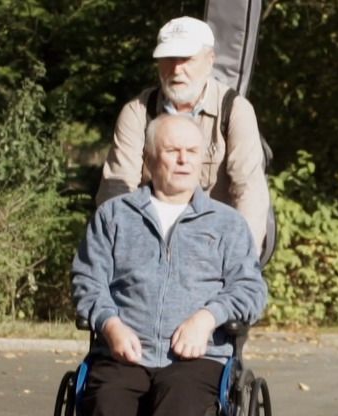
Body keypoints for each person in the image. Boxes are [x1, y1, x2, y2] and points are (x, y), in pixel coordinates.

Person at [70, 114, 267, 416]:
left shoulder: (226, 224)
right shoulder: (114, 217)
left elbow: (251, 290)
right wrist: (110, 323)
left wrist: (207, 317)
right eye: (170, 151)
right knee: (108, 393)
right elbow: (87, 281)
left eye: (191, 152)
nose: (181, 160)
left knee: (184, 387)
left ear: (204, 162)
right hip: (127, 349)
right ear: (147, 160)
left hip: (194, 357)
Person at [96, 15, 270, 252]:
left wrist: (243, 262)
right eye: (168, 58)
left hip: (215, 246)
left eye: (186, 59)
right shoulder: (137, 112)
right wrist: (118, 253)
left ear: (210, 60)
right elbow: (117, 188)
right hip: (150, 245)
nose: (177, 69)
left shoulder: (235, 110)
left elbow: (249, 191)